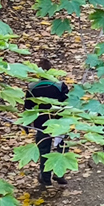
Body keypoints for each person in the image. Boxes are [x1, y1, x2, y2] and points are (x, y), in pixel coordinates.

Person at [26, 57, 69, 187]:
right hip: (59, 121)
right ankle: (59, 173)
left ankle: (45, 177)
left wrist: (26, 125)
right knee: (62, 147)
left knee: (44, 150)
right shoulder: (60, 86)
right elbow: (67, 104)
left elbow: (28, 107)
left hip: (41, 124)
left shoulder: (31, 87)